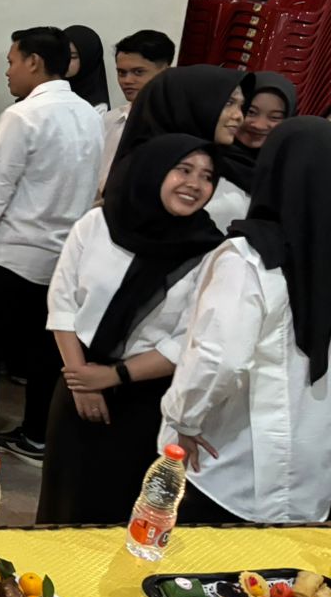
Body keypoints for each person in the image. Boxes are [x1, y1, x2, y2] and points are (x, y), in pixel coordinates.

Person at [36, 136, 224, 524]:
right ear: (155, 170)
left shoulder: (209, 251)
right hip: (76, 378)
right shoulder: (98, 223)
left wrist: (113, 376)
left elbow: (187, 339)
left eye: (207, 177)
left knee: (119, 508)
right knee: (61, 500)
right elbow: (63, 301)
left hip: (144, 398)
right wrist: (82, 381)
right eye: (184, 170)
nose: (195, 184)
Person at [0, 27, 103, 473]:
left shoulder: (23, 116)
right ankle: (36, 435)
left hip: (12, 254)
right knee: (44, 352)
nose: (8, 71)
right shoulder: (90, 114)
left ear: (34, 62)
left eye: (12, 61)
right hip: (63, 258)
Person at [161, 117, 331, 524]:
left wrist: (184, 419)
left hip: (236, 466)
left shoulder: (250, 257)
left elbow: (219, 358)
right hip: (313, 465)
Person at [109, 65, 251, 229]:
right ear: (191, 104)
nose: (239, 116)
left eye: (241, 106)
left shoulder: (236, 162)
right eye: (229, 103)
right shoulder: (145, 171)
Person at [97, 30, 175, 194]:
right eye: (121, 73)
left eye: (138, 72)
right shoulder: (110, 120)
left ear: (166, 72)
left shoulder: (175, 126)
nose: (127, 80)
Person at [227, 72, 298, 192]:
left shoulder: (288, 172)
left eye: (275, 117)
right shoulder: (206, 161)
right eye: (251, 112)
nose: (259, 126)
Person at [63, 24, 111, 113]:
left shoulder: (98, 108)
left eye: (73, 57)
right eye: (61, 54)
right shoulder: (51, 91)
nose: (64, 61)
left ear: (88, 60)